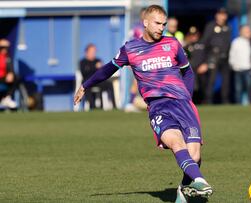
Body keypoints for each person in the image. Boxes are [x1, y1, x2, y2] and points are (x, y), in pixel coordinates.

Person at [73, 5, 212, 203]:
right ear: (145, 23)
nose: (161, 27)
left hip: (183, 104)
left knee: (195, 156)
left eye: (163, 24)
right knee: (175, 142)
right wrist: (85, 85)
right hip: (159, 107)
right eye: (157, 23)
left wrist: (187, 99)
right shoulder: (130, 49)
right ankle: (199, 181)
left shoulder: (172, 44)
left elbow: (187, 72)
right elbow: (108, 69)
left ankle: (184, 190)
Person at [200, 8, 232, 104]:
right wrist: (205, 60)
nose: (223, 16)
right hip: (213, 56)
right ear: (216, 15)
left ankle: (225, 100)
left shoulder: (228, 27)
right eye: (220, 14)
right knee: (211, 80)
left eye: (224, 14)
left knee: (226, 80)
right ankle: (208, 100)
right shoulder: (211, 26)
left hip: (225, 57)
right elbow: (204, 42)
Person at [79, 44, 114, 110]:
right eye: (91, 51)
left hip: (98, 81)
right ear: (87, 52)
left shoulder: (98, 60)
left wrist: (102, 68)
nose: (93, 53)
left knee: (109, 84)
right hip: (88, 81)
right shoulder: (82, 62)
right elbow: (84, 73)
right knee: (86, 86)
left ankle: (114, 106)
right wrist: (95, 67)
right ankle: (92, 107)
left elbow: (103, 72)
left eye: (94, 51)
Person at [229, 25, 251, 105]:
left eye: (248, 31)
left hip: (248, 68)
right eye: (245, 31)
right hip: (238, 69)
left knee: (249, 87)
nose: (247, 33)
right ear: (240, 32)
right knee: (238, 88)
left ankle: (250, 103)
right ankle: (238, 104)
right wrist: (233, 65)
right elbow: (232, 55)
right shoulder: (236, 42)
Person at [183, 26, 206, 104]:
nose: (193, 37)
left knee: (203, 88)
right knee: (192, 88)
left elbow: (207, 55)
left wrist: (205, 64)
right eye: (191, 35)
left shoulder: (202, 45)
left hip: (201, 70)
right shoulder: (186, 46)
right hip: (190, 71)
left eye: (195, 35)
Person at [0, 39, 17, 108]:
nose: (5, 49)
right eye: (2, 48)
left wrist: (11, 73)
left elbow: (10, 68)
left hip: (3, 78)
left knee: (16, 77)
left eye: (6, 48)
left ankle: (7, 98)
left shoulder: (7, 58)